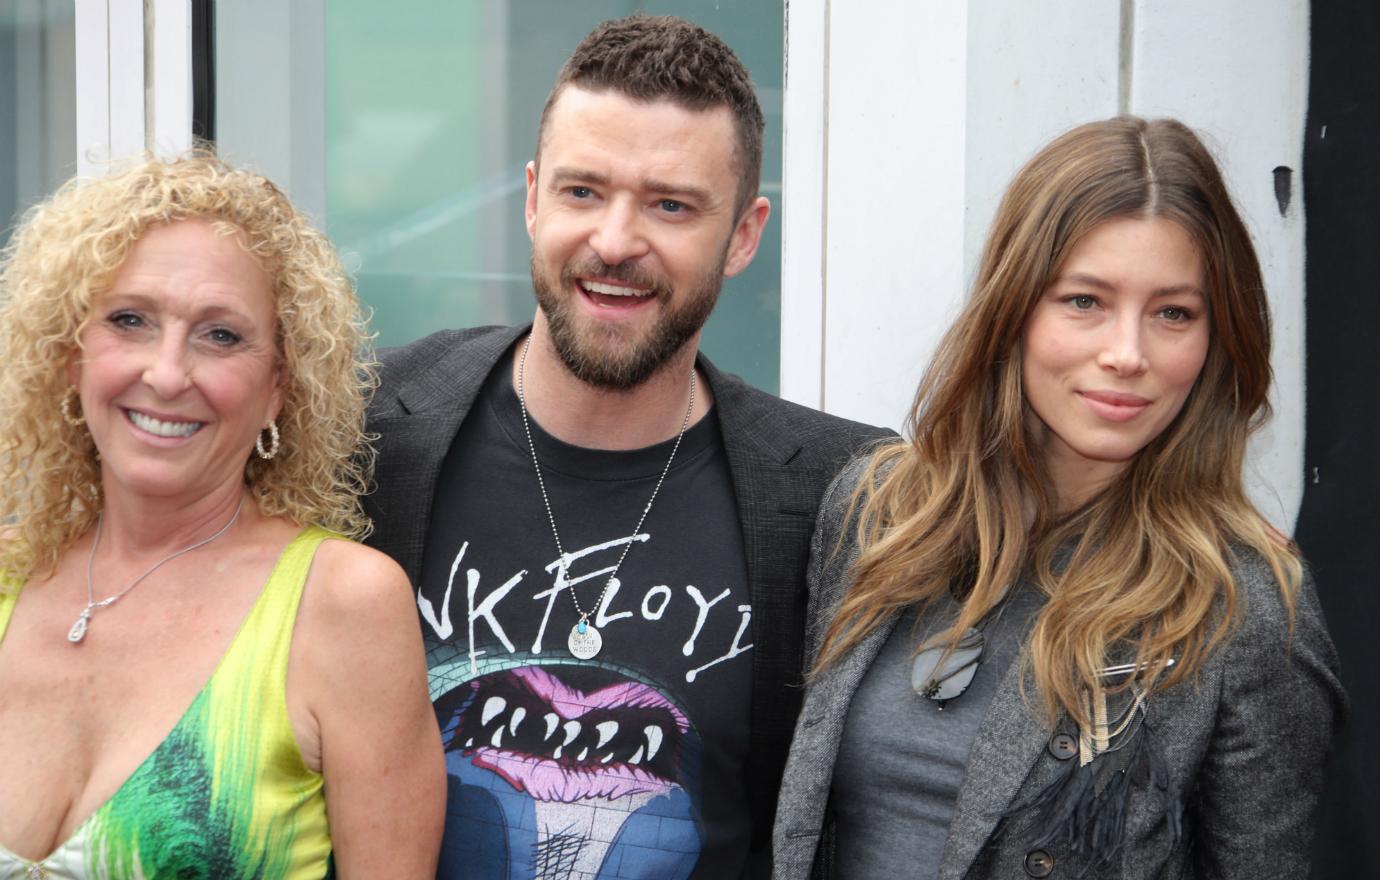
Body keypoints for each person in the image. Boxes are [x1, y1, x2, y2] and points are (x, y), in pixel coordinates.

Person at [362, 14, 888, 880]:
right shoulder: (371, 427)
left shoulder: (843, 495)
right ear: (532, 198)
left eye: (670, 205)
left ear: (745, 235)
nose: (613, 242)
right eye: (582, 192)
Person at [772, 117, 1345, 879]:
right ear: (1014, 309)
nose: (1127, 354)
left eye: (1174, 313)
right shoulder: (876, 513)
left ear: (1217, 340)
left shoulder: (1241, 606)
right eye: (1085, 301)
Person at [0, 154, 445, 878]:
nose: (168, 373)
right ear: (72, 354)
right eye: (130, 320)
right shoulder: (9, 574)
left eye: (221, 336)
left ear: (278, 388)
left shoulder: (341, 603)